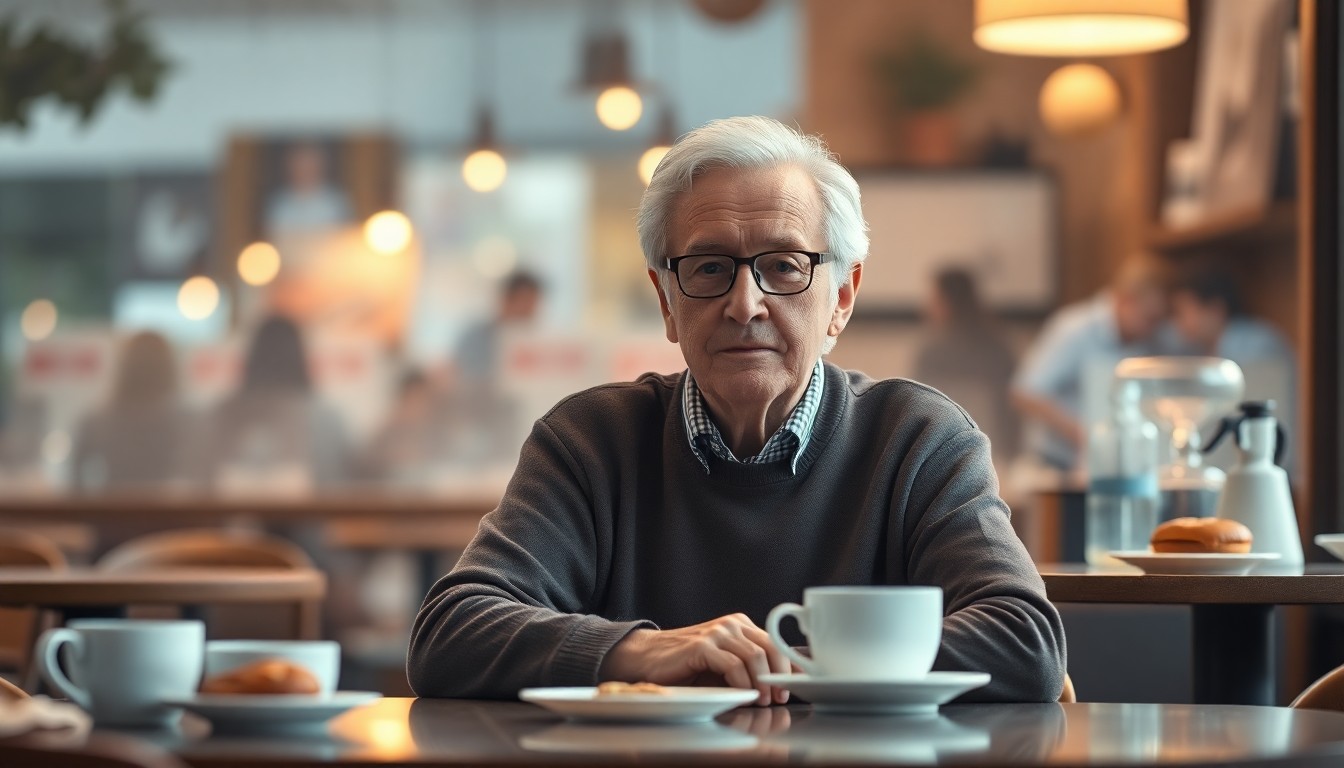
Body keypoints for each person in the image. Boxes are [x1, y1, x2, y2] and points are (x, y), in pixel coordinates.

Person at [408, 116, 1066, 705]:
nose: (745, 304)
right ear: (667, 301)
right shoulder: (592, 441)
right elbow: (450, 634)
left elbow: (1024, 642)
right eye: (710, 267)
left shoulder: (918, 440)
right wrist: (646, 651)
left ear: (842, 297)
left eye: (783, 266)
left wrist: (779, 669)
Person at [1011, 256, 1171, 473]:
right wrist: (1083, 434)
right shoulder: (1074, 328)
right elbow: (1026, 392)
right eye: (1149, 318)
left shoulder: (1147, 341)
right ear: (1126, 300)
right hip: (1057, 466)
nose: (1152, 329)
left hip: (1115, 467)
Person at [206, 315, 352, 493]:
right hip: (236, 517)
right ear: (300, 356)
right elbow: (336, 487)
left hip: (236, 517)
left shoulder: (221, 413)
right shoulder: (324, 417)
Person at [912, 267, 1020, 466]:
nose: (927, 306)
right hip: (995, 455)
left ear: (948, 302)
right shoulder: (999, 344)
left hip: (947, 453)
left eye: (934, 299)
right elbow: (1012, 414)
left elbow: (921, 408)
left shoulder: (933, 351)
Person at [72, 331, 202, 493]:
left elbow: (75, 480)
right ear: (169, 366)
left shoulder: (98, 418)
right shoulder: (187, 420)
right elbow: (201, 475)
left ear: (124, 366)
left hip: (113, 511)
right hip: (167, 513)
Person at [451, 270, 543, 385]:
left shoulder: (538, 344)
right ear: (505, 301)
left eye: (533, 306)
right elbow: (460, 378)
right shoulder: (475, 338)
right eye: (524, 304)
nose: (528, 313)